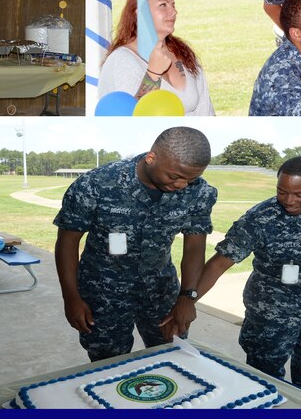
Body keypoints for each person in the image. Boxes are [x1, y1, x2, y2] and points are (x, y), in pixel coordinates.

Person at [173, 156, 301, 396]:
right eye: (282, 191)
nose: (288, 200)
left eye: (299, 195)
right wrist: (188, 299)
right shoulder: (260, 218)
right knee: (265, 380)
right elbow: (218, 264)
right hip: (272, 313)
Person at [53, 127, 218, 361]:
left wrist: (187, 297)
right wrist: (71, 297)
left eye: (191, 179)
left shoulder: (200, 193)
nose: (182, 185)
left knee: (170, 353)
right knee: (108, 361)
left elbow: (194, 245)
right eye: (174, 177)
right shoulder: (97, 184)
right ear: (151, 158)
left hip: (160, 290)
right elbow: (67, 242)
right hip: (104, 292)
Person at [97, 0, 214, 115]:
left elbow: (206, 109)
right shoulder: (122, 60)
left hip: (191, 135)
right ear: (140, 13)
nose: (174, 12)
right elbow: (128, 118)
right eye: (163, 5)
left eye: (173, 5)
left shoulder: (182, 52)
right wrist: (153, 73)